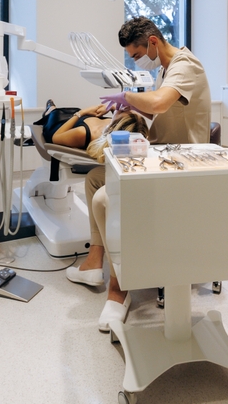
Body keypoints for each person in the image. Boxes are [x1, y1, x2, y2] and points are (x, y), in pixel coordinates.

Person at [65, 17, 212, 331]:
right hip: (161, 155)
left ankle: (118, 289)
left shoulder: (185, 65)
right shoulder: (163, 70)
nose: (136, 61)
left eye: (136, 55)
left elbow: (159, 102)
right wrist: (126, 109)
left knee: (104, 198)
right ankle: (94, 261)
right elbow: (159, 108)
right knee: (94, 178)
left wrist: (127, 96)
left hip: (181, 164)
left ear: (153, 42)